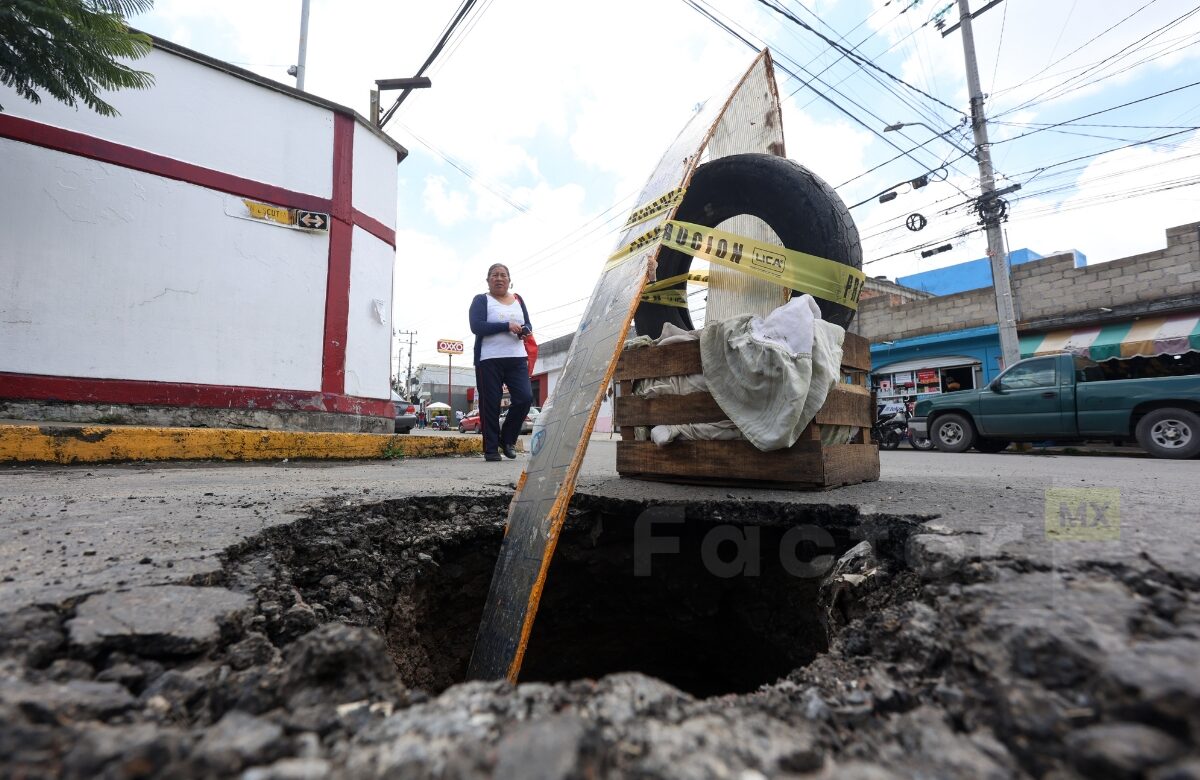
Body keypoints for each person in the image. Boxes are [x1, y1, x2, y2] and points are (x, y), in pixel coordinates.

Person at [468, 263, 533, 462]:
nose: (499, 278)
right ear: (488, 280)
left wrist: (525, 330)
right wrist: (506, 326)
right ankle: (491, 449)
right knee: (491, 404)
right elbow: (476, 326)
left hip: (517, 358)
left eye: (503, 275)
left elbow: (528, 324)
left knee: (524, 398)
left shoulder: (518, 300)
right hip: (489, 360)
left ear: (509, 280)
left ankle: (507, 440)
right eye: (494, 275)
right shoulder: (481, 300)